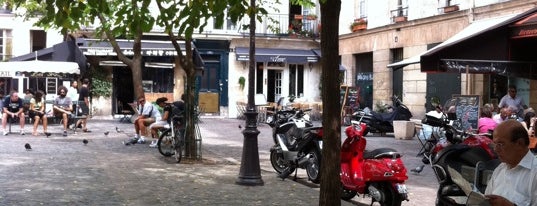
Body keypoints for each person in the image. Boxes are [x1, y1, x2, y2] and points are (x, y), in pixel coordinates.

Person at [485, 120, 537, 206]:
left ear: (519, 143)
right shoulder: (500, 169)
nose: (496, 149)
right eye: (495, 144)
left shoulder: (534, 173)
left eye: (501, 144)